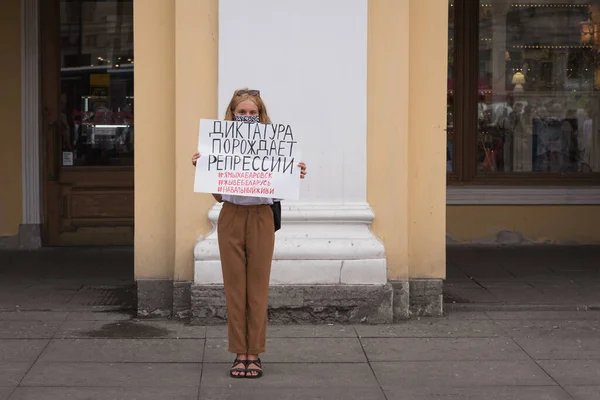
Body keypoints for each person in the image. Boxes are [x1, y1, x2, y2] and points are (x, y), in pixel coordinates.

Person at [191, 88, 307, 378]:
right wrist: (204, 167)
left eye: (252, 113)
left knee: (257, 286)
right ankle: (237, 352)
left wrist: (295, 171)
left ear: (260, 115)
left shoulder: (274, 143)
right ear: (232, 114)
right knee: (234, 287)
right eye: (241, 113)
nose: (247, 117)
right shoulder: (219, 145)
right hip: (231, 214)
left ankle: (253, 352)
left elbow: (279, 187)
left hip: (261, 217)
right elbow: (219, 196)